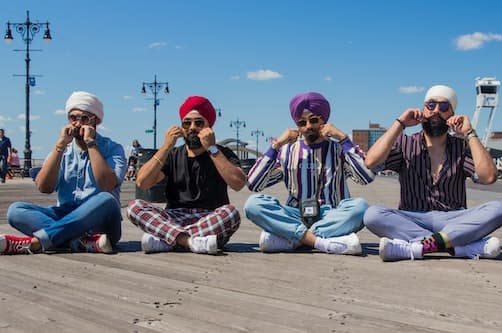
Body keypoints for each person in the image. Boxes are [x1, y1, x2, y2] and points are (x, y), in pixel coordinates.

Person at [363, 85, 502, 261]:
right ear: (424, 109)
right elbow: (371, 161)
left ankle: (420, 247)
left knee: (499, 209)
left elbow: (489, 177)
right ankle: (458, 247)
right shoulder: (405, 143)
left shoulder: (461, 147)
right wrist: (400, 124)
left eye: (444, 107)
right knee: (372, 215)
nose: (436, 111)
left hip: (454, 218)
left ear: (452, 114)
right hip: (413, 218)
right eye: (431, 105)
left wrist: (469, 133)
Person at [244, 92, 375, 255]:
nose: (308, 127)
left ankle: (293, 239)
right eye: (301, 122)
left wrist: (343, 138)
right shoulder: (287, 151)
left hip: (332, 215)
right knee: (253, 205)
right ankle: (320, 241)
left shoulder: (339, 149)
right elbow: (254, 183)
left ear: (324, 121)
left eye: (313, 120)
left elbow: (366, 176)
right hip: (296, 214)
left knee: (361, 207)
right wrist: (276, 145)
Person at [1, 91, 126, 255]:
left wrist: (91, 144)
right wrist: (59, 147)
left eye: (84, 118)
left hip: (101, 221)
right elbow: (44, 187)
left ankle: (36, 243)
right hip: (66, 214)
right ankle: (79, 242)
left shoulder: (113, 149)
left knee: (107, 199)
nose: (77, 123)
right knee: (16, 211)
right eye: (73, 118)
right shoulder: (64, 150)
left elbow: (107, 185)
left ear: (95, 121)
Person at [127, 96, 245, 255]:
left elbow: (238, 183)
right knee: (134, 207)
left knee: (231, 214)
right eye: (186, 123)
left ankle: (168, 240)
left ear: (209, 126)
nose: (192, 127)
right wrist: (166, 147)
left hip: (210, 217)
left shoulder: (221, 153)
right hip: (174, 217)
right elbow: (142, 182)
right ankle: (188, 242)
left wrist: (211, 148)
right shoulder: (173, 154)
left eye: (199, 123)